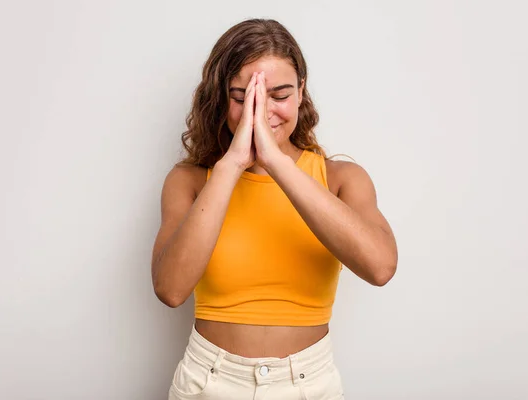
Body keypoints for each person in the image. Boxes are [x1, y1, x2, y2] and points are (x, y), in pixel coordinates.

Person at [151, 18, 398, 400]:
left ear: (301, 91)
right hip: (210, 381)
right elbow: (170, 289)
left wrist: (277, 161)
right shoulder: (191, 181)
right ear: (221, 98)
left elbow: (380, 268)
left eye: (279, 95)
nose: (261, 112)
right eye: (242, 98)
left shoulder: (340, 178)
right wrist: (232, 165)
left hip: (309, 384)